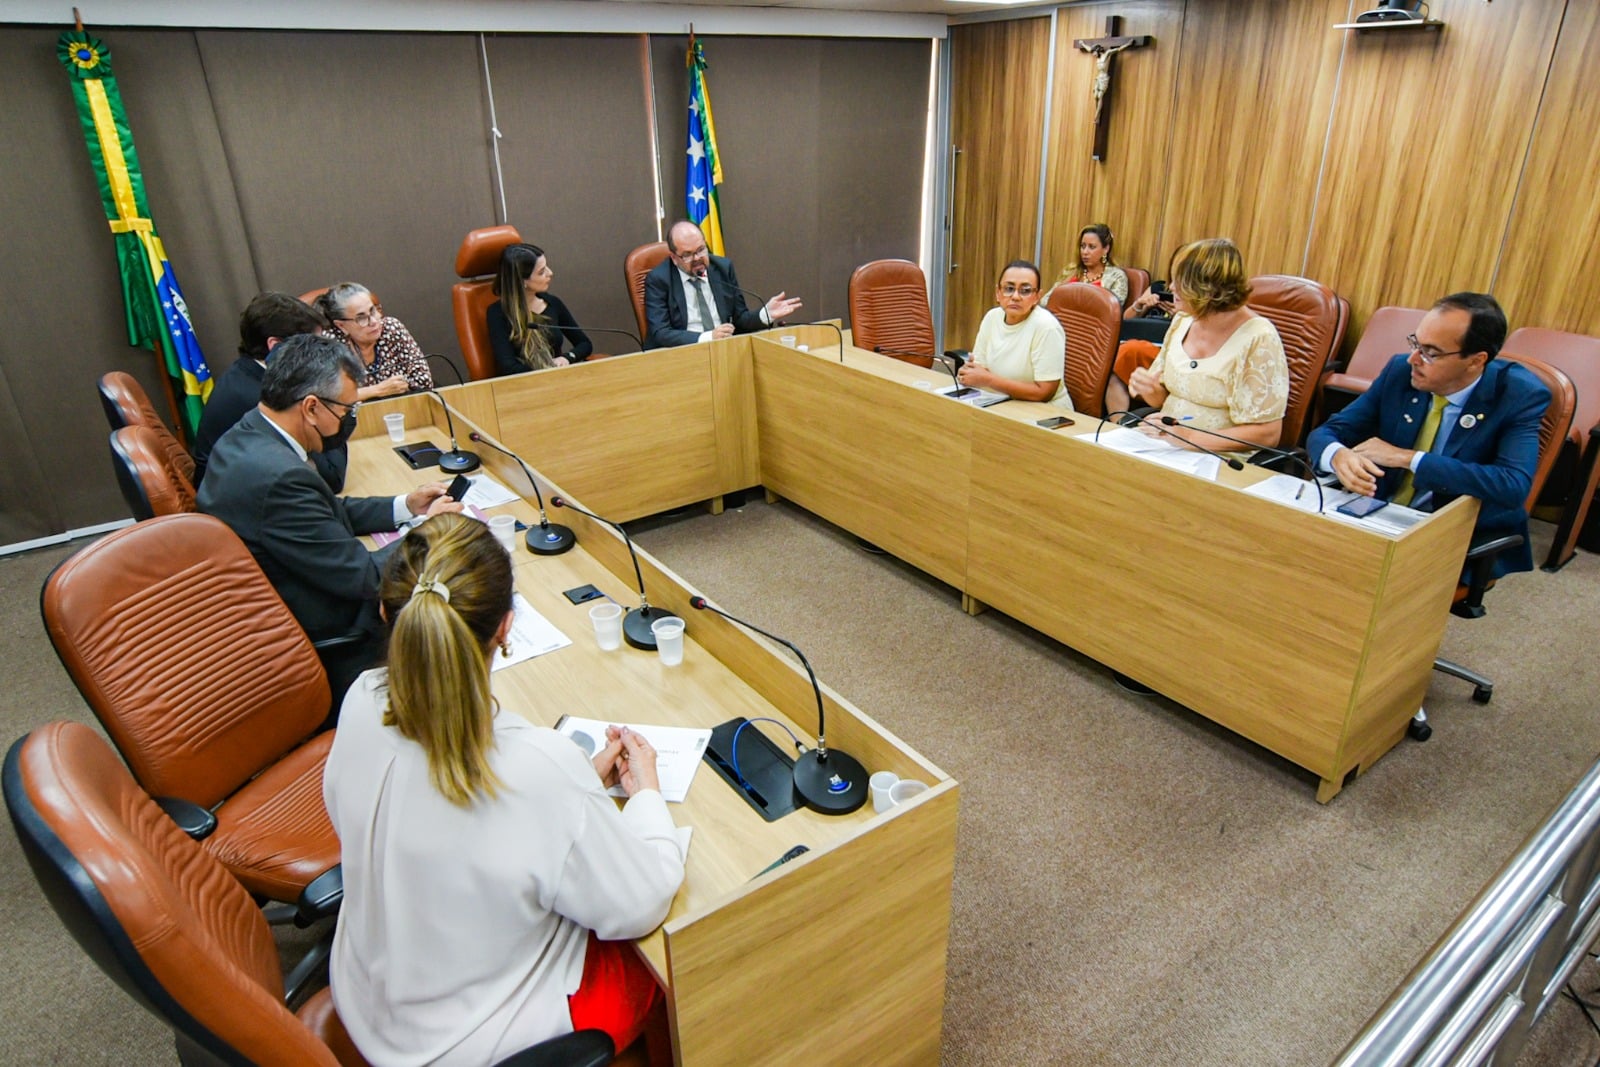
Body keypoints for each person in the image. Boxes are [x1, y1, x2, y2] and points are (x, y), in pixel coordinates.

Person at [325, 513, 685, 1065]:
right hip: (465, 1044)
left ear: (384, 613)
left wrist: (570, 794)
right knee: (674, 961)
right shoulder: (534, 767)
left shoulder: (360, 698)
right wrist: (646, 796)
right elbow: (642, 902)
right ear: (506, 628)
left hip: (368, 994)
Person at [197, 334, 459, 702]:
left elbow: (325, 509)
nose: (349, 419)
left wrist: (406, 505)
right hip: (329, 636)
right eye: (346, 410)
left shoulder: (249, 432)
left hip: (272, 607)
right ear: (311, 408)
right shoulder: (280, 478)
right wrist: (430, 531)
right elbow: (365, 577)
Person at [1307, 292, 1550, 577]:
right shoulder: (1400, 371)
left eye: (1430, 353)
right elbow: (1329, 432)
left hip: (1450, 532)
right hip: (1377, 513)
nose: (1414, 359)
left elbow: (1513, 484)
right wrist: (1337, 456)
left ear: (1476, 361)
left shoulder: (1518, 395)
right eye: (1415, 343)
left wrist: (1409, 459)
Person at [1119, 238, 1288, 451]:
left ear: (1208, 288)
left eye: (1180, 281)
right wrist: (1151, 391)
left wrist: (1189, 437)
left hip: (1219, 458)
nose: (1171, 287)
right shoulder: (1182, 320)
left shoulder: (1259, 337)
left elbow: (1268, 434)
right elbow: (1164, 398)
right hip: (1163, 443)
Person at [191, 292, 342, 489]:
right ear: (276, 346)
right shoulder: (264, 398)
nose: (320, 356)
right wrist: (335, 401)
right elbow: (332, 477)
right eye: (312, 346)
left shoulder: (247, 372)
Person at [642, 220, 803, 349]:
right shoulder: (659, 279)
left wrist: (765, 314)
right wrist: (709, 337)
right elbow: (661, 333)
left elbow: (740, 320)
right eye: (687, 255)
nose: (697, 258)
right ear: (674, 258)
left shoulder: (722, 269)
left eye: (701, 249)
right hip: (684, 353)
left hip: (724, 350)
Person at [960, 260, 1072, 408]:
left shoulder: (1046, 327)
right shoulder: (992, 317)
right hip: (1002, 401)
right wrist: (970, 374)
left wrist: (988, 380)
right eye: (1009, 289)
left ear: (1037, 296)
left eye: (1025, 291)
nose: (1015, 296)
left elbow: (1044, 392)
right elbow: (980, 369)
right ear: (998, 293)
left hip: (1046, 411)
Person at [486, 242, 593, 374]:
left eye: (546, 267)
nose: (550, 273)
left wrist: (567, 358)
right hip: (527, 381)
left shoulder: (552, 302)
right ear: (522, 281)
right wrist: (546, 369)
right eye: (541, 272)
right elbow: (509, 366)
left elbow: (584, 344)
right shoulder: (497, 313)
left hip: (558, 375)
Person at [319, 282, 433, 399]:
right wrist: (378, 390)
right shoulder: (329, 344)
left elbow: (424, 381)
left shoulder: (391, 328)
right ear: (341, 325)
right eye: (361, 318)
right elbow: (329, 398)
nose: (373, 321)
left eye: (372, 311)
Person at [1056, 224, 1128, 305]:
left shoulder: (1116, 277)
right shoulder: (1071, 270)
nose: (1085, 252)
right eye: (1083, 246)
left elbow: (1113, 308)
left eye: (1092, 247)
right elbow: (1048, 299)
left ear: (1106, 249)